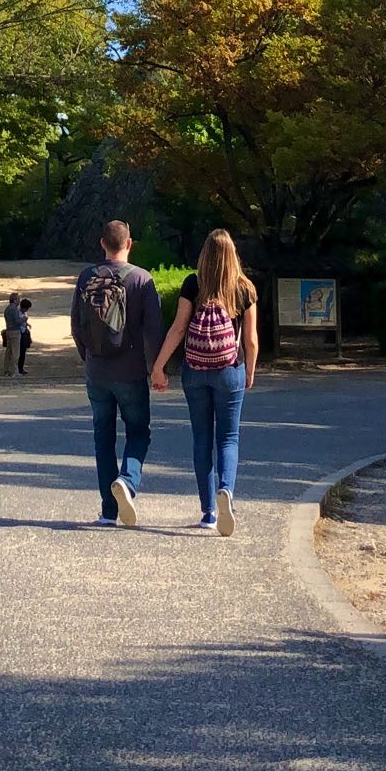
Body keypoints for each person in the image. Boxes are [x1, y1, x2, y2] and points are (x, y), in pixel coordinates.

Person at [150, 228, 258, 534]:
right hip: (229, 369)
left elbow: (178, 329)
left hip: (195, 370)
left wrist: (158, 367)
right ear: (233, 255)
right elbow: (250, 339)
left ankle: (209, 512)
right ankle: (227, 490)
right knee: (228, 437)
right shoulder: (244, 288)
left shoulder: (192, 283)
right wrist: (249, 370)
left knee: (201, 438)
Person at [71, 219, 166, 528]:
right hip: (131, 371)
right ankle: (127, 480)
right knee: (139, 432)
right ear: (129, 244)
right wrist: (156, 369)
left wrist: (89, 357)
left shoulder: (86, 278)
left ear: (103, 244)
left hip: (96, 372)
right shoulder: (142, 279)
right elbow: (154, 331)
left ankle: (108, 512)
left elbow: (76, 325)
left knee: (103, 438)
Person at [2, 291, 25, 376]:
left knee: (8, 352)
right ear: (15, 300)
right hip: (15, 331)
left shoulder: (7, 309)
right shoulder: (14, 309)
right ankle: (14, 371)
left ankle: (6, 370)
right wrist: (24, 319)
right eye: (18, 299)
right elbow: (17, 320)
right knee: (15, 352)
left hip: (8, 331)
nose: (19, 301)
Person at [16, 297, 33, 378]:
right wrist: (24, 320)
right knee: (20, 352)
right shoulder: (18, 313)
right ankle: (18, 368)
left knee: (23, 352)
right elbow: (18, 322)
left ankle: (21, 367)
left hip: (24, 331)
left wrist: (27, 323)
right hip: (20, 333)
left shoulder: (24, 313)